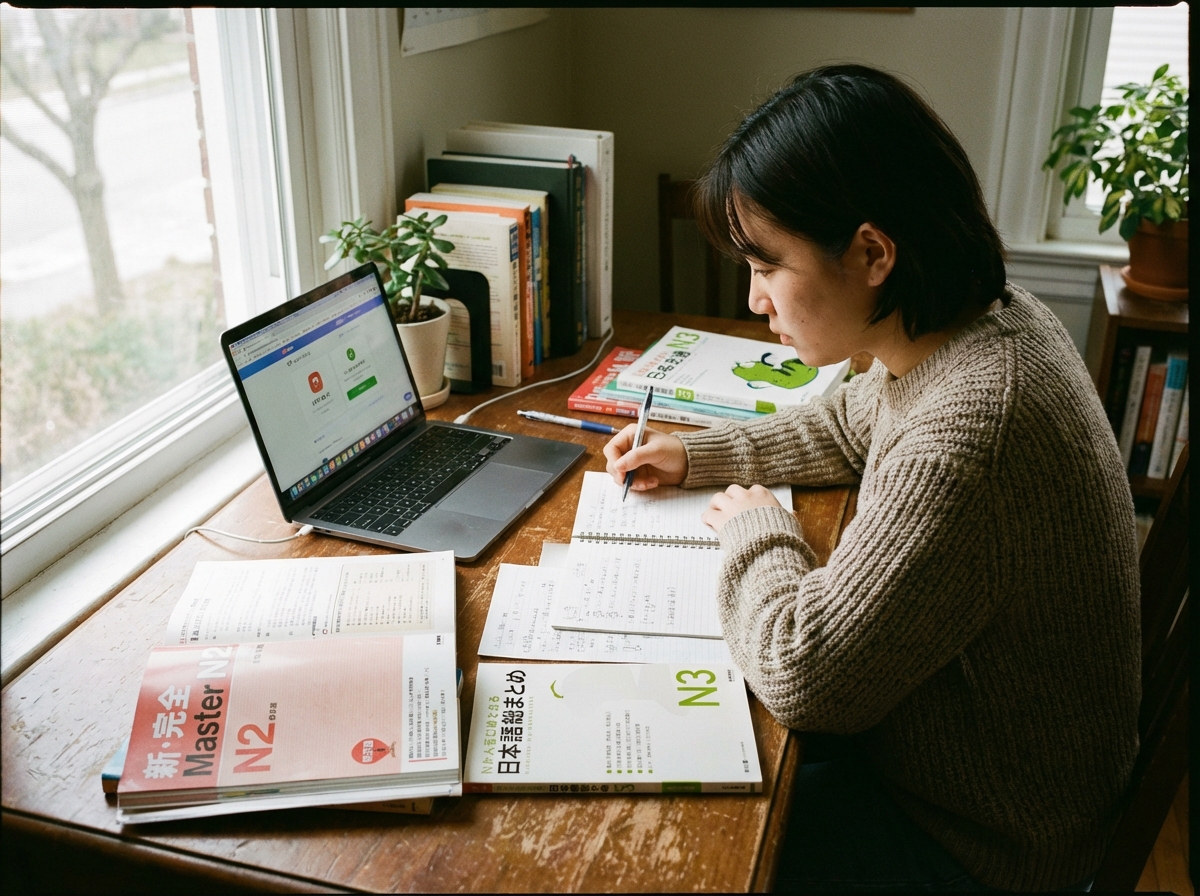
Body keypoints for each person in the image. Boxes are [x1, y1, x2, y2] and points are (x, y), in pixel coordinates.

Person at [605, 65, 1139, 893]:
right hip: (955, 777)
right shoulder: (983, 323)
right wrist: (699, 454)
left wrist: (761, 533)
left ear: (872, 253)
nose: (754, 300)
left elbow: (805, 676)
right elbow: (853, 420)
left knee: (662, 852)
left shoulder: (967, 438)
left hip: (979, 848)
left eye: (767, 265)